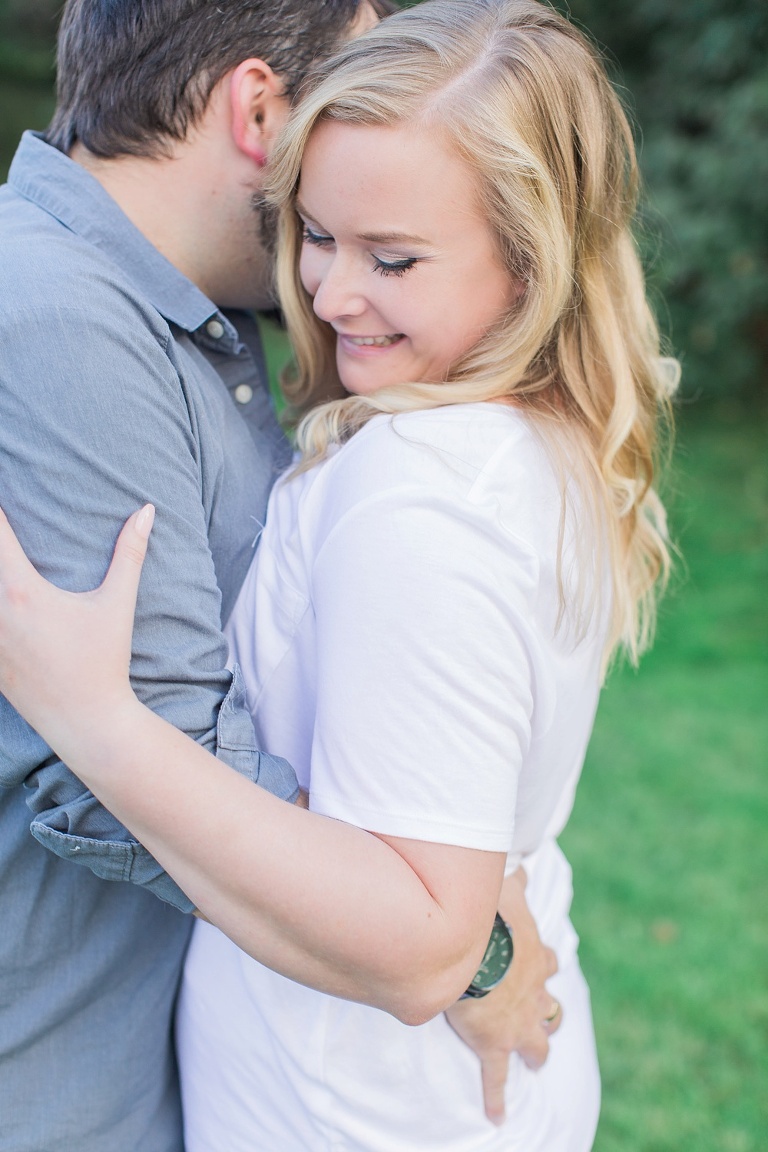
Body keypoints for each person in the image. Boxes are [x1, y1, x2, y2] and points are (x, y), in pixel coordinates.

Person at [0, 0, 677, 1147]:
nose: (328, 285)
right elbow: (111, 765)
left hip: (349, 1086)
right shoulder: (61, 318)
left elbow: (149, 735)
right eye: (320, 233)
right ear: (262, 110)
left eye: (391, 253)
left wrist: (453, 931)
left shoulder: (410, 459)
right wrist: (470, 946)